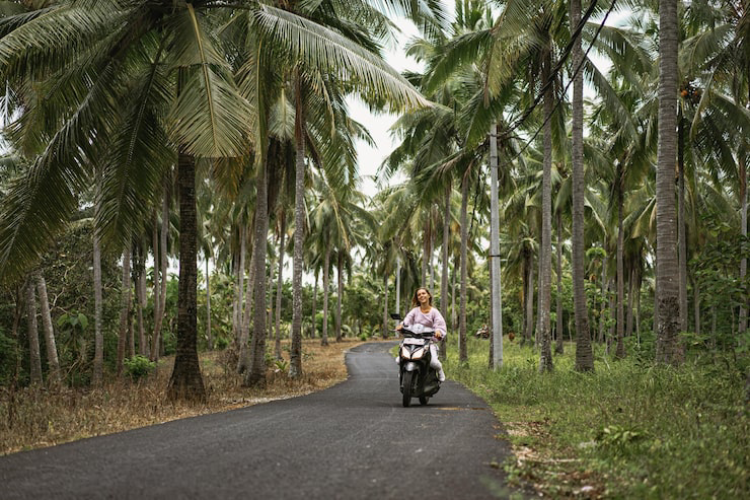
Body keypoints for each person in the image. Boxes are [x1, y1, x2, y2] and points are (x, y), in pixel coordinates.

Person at [396, 287, 447, 382]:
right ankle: (403, 371)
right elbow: (407, 320)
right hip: (412, 341)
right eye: (419, 294)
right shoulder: (415, 311)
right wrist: (401, 325)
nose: (421, 296)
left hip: (428, 342)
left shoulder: (434, 312)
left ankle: (440, 371)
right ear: (417, 298)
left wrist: (438, 331)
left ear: (428, 295)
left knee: (434, 362)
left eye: (423, 293)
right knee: (399, 360)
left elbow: (439, 324)